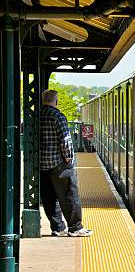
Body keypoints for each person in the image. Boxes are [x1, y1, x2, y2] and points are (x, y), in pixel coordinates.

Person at [40, 89, 93, 237]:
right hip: (59, 164)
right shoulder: (57, 115)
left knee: (49, 198)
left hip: (42, 165)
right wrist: (68, 158)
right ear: (56, 101)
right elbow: (65, 140)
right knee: (70, 194)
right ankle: (75, 227)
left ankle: (58, 228)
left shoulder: (36, 115)